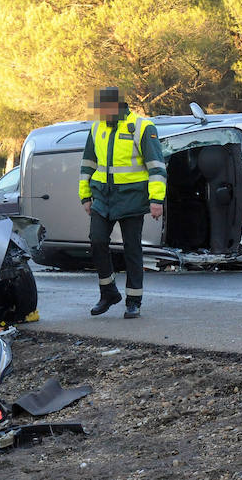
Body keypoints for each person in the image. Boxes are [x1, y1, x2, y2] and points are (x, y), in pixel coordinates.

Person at [79, 87, 167, 318]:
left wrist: (156, 200)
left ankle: (134, 301)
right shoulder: (97, 127)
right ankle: (108, 292)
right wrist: (85, 196)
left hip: (131, 197)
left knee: (132, 249)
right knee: (97, 241)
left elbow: (157, 167)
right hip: (102, 197)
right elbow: (87, 163)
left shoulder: (143, 127)